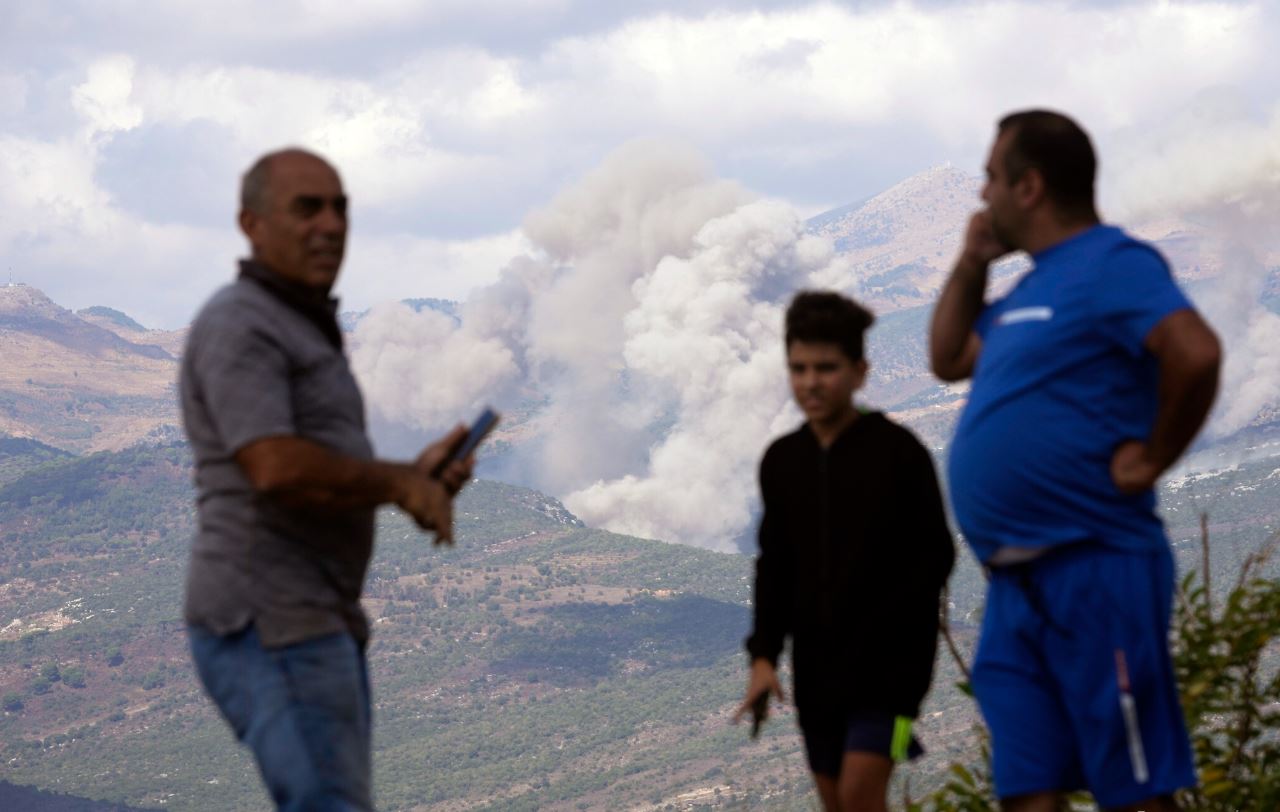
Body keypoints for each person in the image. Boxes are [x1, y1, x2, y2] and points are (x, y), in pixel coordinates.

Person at [929, 110, 1222, 811]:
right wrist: (972, 261)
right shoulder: (1027, 290)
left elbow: (1196, 352)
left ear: (1028, 187)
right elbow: (946, 359)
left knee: (1134, 788)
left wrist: (1151, 459)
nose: (982, 194)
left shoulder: (1111, 263)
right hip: (1012, 588)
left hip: (1096, 567)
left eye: (991, 178)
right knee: (1028, 792)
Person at [180, 148, 473, 812]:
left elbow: (315, 468)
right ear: (251, 223)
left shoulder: (300, 325)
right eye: (306, 208)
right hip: (270, 618)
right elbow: (275, 465)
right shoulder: (241, 322)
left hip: (312, 617)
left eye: (341, 208)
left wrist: (413, 476)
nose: (331, 225)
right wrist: (400, 484)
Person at [737, 291, 955, 812]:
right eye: (799, 368)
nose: (811, 382)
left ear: (859, 372)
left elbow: (936, 556)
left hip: (896, 682)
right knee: (839, 802)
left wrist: (887, 622)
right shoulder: (783, 462)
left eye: (826, 368)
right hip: (817, 676)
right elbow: (775, 567)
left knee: (861, 795)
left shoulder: (900, 454)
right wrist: (764, 656)